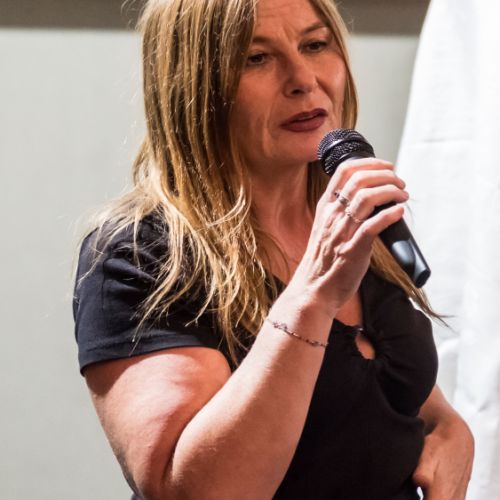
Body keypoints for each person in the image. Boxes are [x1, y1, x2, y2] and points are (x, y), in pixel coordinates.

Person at [72, 0, 474, 498]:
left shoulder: (345, 221)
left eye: (315, 45)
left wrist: (452, 432)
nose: (303, 79)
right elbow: (197, 491)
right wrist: (315, 293)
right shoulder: (139, 254)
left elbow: (396, 396)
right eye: (256, 58)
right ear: (192, 85)